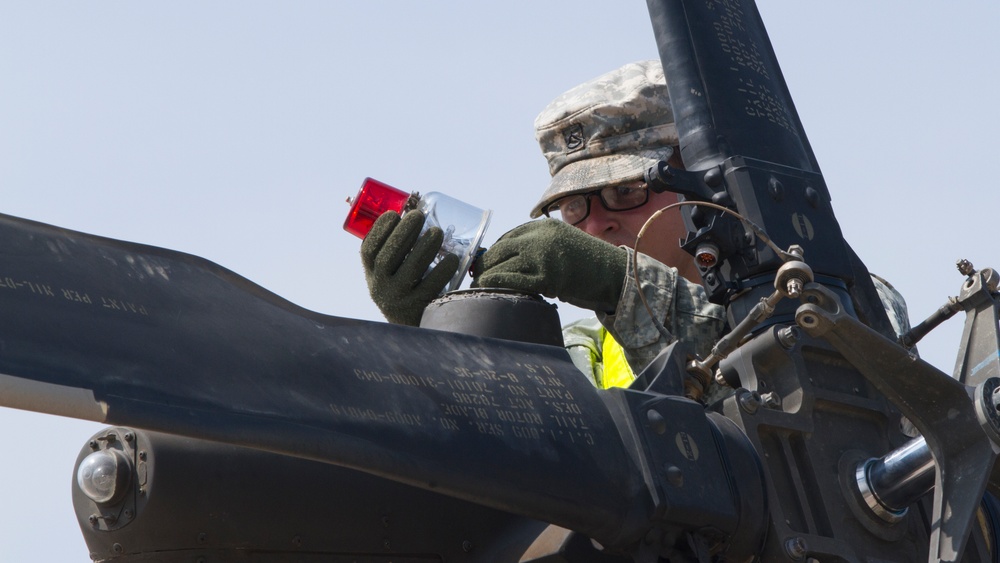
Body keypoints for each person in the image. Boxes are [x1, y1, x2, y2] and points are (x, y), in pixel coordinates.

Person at [361, 60, 910, 401]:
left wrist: (620, 284)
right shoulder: (582, 350)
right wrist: (432, 336)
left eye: (625, 193)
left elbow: (814, 388)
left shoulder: (833, 293)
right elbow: (509, 454)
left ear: (698, 182)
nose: (597, 223)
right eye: (574, 208)